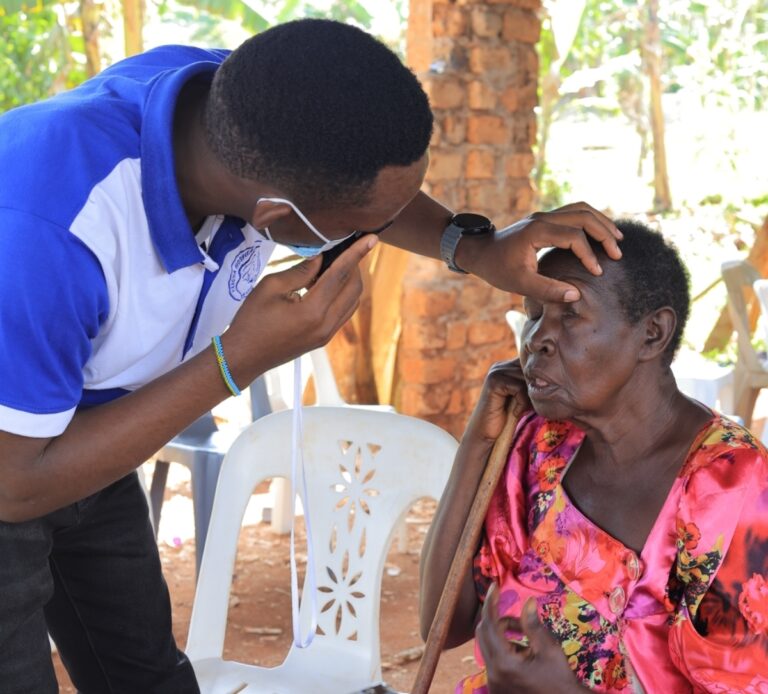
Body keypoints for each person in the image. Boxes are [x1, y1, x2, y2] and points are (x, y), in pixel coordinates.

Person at [0, 17, 622, 693]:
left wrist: (471, 246)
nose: (381, 232)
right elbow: (16, 485)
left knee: (146, 677)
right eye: (365, 226)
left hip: (88, 426)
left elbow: (368, 188)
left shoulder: (254, 103)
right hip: (15, 461)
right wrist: (236, 360)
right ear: (276, 217)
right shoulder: (48, 231)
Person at [420, 220, 768, 693]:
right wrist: (478, 443)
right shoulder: (540, 445)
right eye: (533, 313)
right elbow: (441, 625)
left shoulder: (730, 482)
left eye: (569, 315)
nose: (536, 338)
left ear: (653, 333)